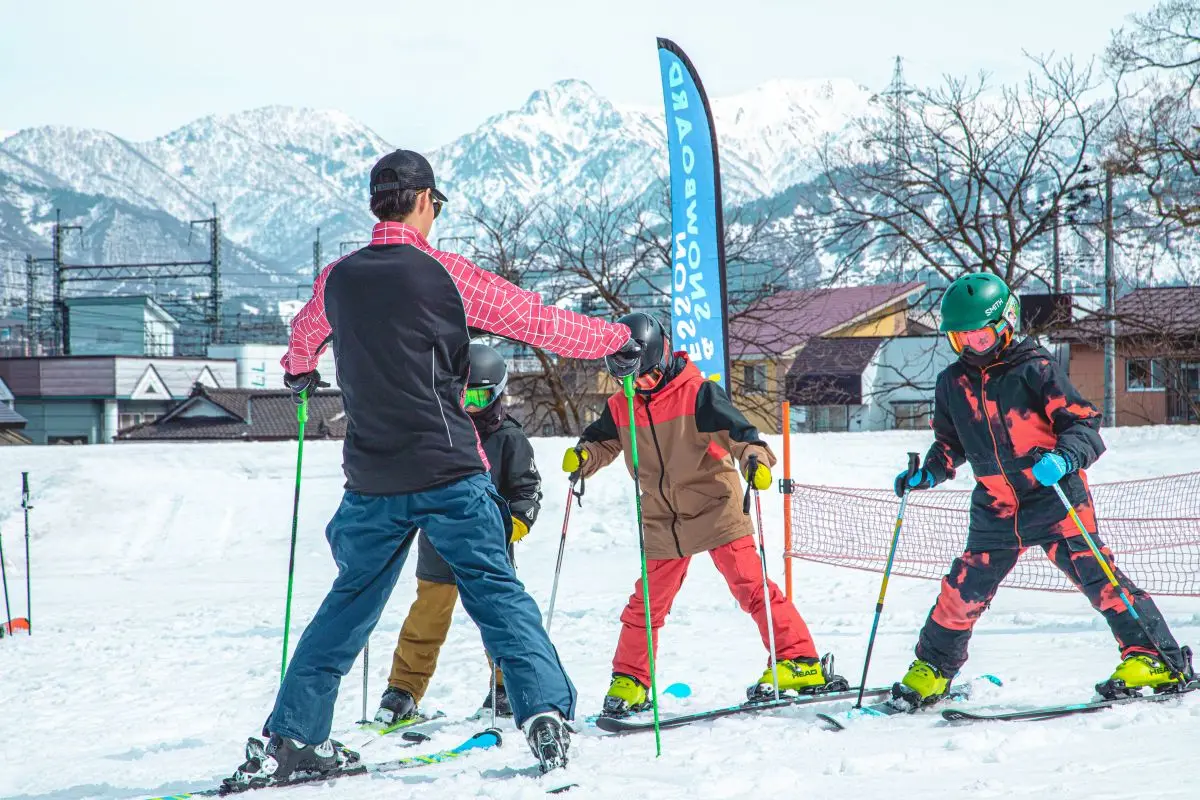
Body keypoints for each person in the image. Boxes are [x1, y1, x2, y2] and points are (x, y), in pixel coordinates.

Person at [223, 149, 638, 789]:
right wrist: (617, 340)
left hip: (371, 481)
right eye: (436, 206)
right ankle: (546, 714)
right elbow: (536, 321)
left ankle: (293, 737)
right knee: (496, 594)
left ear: (376, 205)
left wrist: (300, 371)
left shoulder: (336, 278)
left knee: (347, 606)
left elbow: (303, 340)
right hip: (448, 472)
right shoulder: (443, 273)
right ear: (424, 201)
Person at [891, 271, 1193, 710]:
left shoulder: (1035, 369)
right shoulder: (951, 384)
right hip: (996, 506)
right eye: (961, 339)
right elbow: (950, 444)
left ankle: (1154, 657)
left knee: (1099, 578)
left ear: (1006, 325)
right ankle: (933, 669)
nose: (972, 346)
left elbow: (1084, 425)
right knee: (961, 590)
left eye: (980, 336)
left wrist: (1064, 457)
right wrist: (929, 473)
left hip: (1053, 497)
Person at [565, 313, 841, 718]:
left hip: (715, 507)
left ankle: (798, 660)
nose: (636, 384)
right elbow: (602, 441)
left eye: (642, 376)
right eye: (628, 378)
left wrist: (754, 461)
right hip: (663, 518)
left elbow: (743, 437)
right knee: (645, 604)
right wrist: (583, 456)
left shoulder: (698, 394)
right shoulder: (620, 404)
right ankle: (631, 679)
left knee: (750, 587)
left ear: (658, 359)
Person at [377, 341, 540, 725]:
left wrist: (513, 525)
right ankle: (402, 691)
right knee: (425, 622)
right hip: (439, 548)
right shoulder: (438, 434)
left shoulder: (509, 439)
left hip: (488, 553)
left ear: (498, 394)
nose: (469, 405)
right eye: (463, 395)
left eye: (480, 397)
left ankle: (506, 687)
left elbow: (527, 490)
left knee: (499, 618)